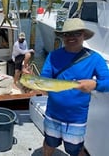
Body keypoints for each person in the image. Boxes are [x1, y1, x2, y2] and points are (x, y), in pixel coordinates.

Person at [40, 18, 109, 156]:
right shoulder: (53, 56)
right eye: (67, 34)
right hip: (53, 114)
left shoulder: (94, 58)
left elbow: (107, 81)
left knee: (75, 150)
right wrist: (31, 81)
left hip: (76, 118)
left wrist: (95, 84)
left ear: (84, 35)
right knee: (49, 143)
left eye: (76, 33)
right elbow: (44, 79)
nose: (71, 37)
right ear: (63, 37)